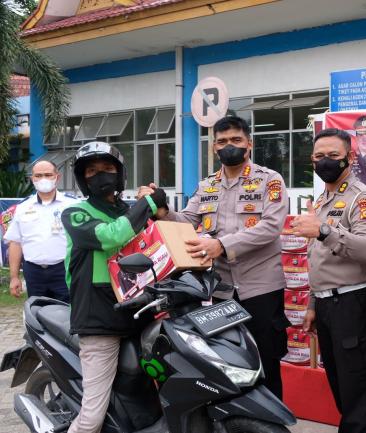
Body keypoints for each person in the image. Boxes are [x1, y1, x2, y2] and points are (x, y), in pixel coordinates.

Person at [138, 116, 290, 399]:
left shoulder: (269, 180)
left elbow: (271, 227)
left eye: (236, 140)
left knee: (266, 362)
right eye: (222, 141)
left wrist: (221, 244)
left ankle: (269, 419)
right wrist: (162, 210)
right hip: (220, 292)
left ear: (249, 144)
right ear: (214, 147)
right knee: (226, 361)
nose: (229, 145)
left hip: (261, 289)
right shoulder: (207, 185)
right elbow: (186, 221)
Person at [62, 141, 167, 433]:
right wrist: (147, 204)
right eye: (92, 171)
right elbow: (110, 237)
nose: (100, 175)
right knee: (92, 418)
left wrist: (158, 208)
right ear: (83, 179)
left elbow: (159, 244)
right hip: (99, 321)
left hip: (140, 314)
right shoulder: (76, 214)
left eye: (107, 168)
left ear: (119, 174)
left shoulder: (129, 211)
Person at [293, 128, 366, 433]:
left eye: (333, 155)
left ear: (350, 157)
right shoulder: (322, 200)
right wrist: (312, 303)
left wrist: (323, 230)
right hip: (327, 305)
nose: (326, 161)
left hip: (355, 304)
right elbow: (318, 257)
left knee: (359, 395)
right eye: (319, 156)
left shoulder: (362, 198)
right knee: (343, 392)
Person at [4, 160, 78, 302]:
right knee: (37, 311)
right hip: (33, 272)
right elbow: (15, 243)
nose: (43, 179)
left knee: (67, 311)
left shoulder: (73, 204)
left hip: (64, 270)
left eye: (48, 175)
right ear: (32, 179)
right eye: (38, 175)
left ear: (57, 177)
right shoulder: (23, 207)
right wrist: (14, 277)